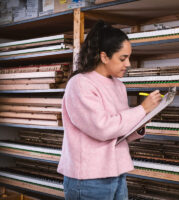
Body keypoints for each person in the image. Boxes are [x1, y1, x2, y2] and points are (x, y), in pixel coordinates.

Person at [57, 20, 162, 200]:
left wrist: (143, 118)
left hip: (117, 172)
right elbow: (103, 128)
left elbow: (120, 132)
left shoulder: (118, 86)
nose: (128, 64)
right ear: (104, 57)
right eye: (123, 58)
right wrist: (141, 110)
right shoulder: (81, 84)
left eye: (129, 57)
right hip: (88, 179)